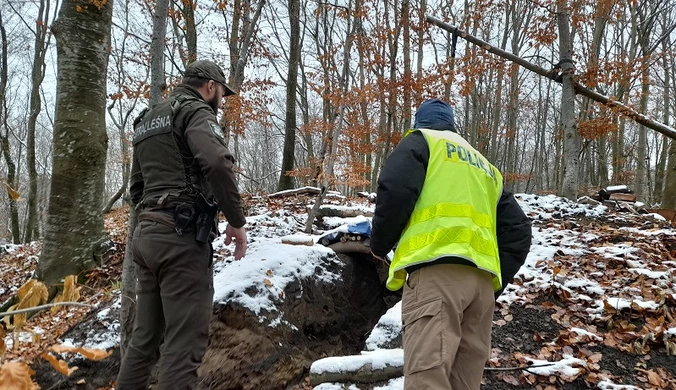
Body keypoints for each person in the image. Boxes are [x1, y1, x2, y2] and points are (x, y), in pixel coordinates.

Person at [370, 99, 531, 390]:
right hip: (481, 289)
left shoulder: (422, 142)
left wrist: (379, 245)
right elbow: (519, 230)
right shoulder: (485, 167)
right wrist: (492, 279)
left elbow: (395, 188)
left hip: (437, 277)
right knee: (464, 383)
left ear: (419, 123)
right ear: (453, 125)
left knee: (427, 380)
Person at [116, 60, 248, 390]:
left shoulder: (148, 120)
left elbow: (137, 187)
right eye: (221, 92)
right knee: (183, 345)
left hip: (146, 238)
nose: (221, 99)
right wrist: (236, 221)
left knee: (144, 340)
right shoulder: (195, 112)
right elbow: (217, 163)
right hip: (180, 240)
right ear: (210, 87)